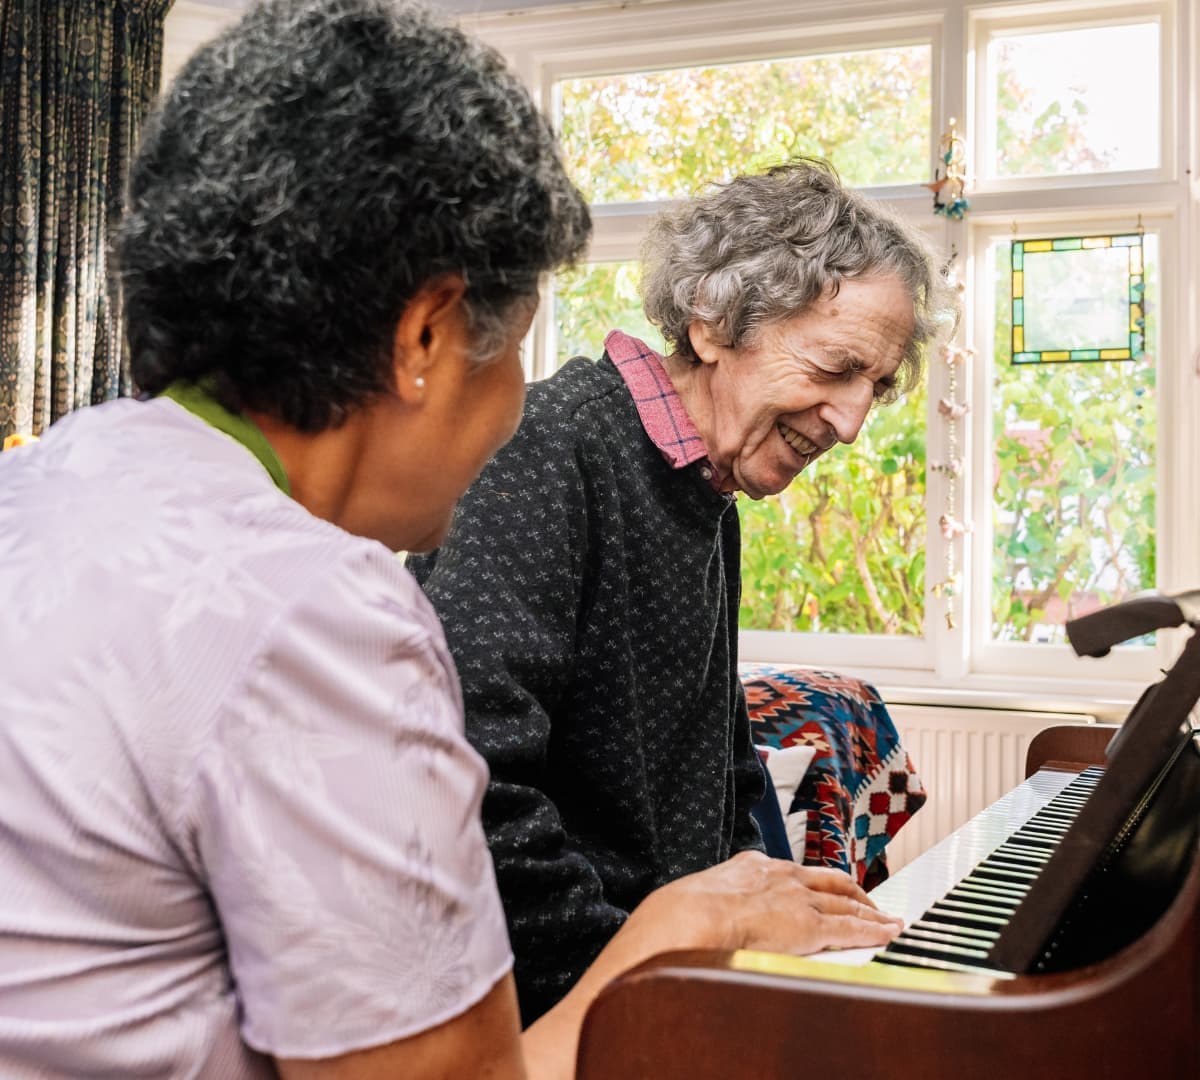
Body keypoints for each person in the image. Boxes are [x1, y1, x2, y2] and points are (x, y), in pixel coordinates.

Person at [0, 3, 901, 1078]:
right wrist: (680, 931)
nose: (519, 402)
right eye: (513, 352)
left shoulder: (41, 487)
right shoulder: (316, 615)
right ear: (426, 337)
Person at [410, 157, 957, 1026]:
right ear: (713, 322)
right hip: (567, 1008)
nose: (851, 424)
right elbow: (463, 777)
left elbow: (716, 763)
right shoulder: (549, 447)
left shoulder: (709, 495)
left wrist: (766, 914)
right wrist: (643, 986)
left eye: (876, 387)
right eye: (836, 365)